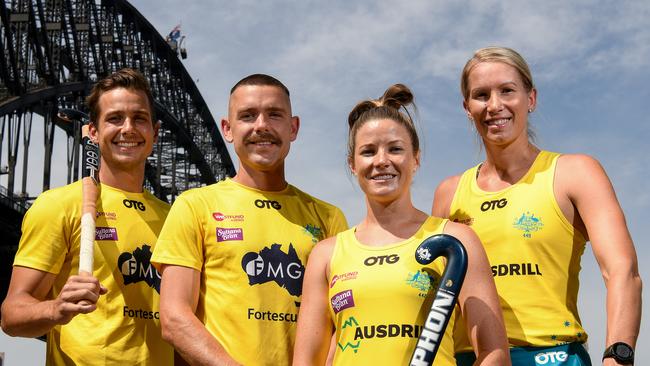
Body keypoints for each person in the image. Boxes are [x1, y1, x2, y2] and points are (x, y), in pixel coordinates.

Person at [432, 47, 642, 366]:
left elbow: (621, 271)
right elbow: (438, 299)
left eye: (507, 91)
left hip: (554, 356)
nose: (494, 105)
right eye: (481, 95)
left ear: (530, 99)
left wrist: (618, 355)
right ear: (467, 107)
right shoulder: (449, 193)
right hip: (470, 359)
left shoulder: (576, 173)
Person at [293, 84, 510, 365]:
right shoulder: (326, 254)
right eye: (368, 152)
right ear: (352, 164)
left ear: (416, 159)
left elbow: (495, 354)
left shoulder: (456, 240)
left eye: (395, 149)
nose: (382, 161)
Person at [151, 74, 348, 365]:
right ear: (227, 129)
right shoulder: (195, 206)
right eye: (247, 116)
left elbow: (343, 320)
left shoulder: (330, 217)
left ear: (293, 128)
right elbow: (174, 317)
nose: (261, 126)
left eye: (274, 114)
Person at [0, 68, 173, 365]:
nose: (128, 128)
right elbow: (11, 315)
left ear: (154, 133)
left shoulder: (176, 217)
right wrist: (56, 309)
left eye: (139, 118)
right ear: (93, 132)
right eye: (115, 118)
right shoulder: (59, 206)